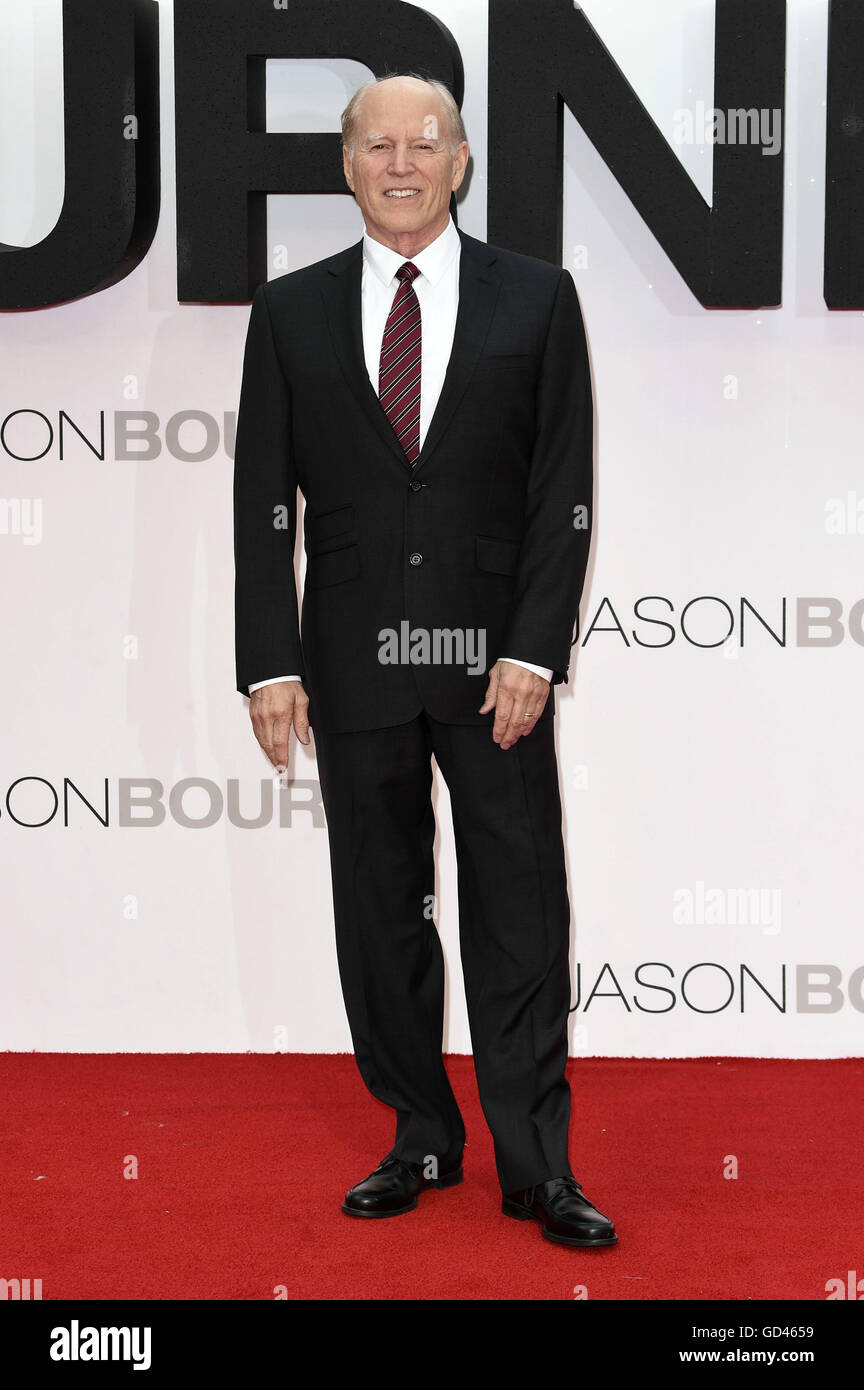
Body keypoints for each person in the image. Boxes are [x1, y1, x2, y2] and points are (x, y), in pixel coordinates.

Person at [233, 73, 616, 1247]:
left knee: (517, 914)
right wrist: (269, 661)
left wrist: (535, 650)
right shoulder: (288, 312)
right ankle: (419, 1133)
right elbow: (264, 504)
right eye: (377, 144)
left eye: (425, 141)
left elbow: (563, 493)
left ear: (460, 161)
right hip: (350, 665)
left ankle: (537, 1168)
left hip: (492, 664)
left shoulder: (539, 299)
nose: (401, 162)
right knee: (381, 912)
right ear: (348, 166)